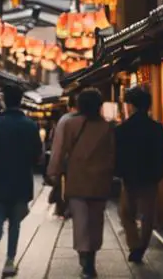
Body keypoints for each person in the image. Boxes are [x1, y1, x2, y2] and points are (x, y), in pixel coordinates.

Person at [48, 88, 116, 278]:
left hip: (77, 179)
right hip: (100, 180)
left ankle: (85, 258)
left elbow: (59, 150)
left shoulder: (70, 124)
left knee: (81, 221)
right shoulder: (108, 126)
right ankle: (91, 257)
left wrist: (54, 172)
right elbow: (112, 155)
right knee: (96, 221)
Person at [0, 84, 44, 277]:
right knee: (15, 223)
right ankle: (9, 261)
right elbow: (37, 155)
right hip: (21, 178)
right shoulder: (30, 125)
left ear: (3, 100)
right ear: (21, 100)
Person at [115, 86, 163, 264]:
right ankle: (141, 248)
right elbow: (161, 154)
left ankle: (134, 244)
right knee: (148, 215)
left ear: (131, 105)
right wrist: (159, 174)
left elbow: (118, 155)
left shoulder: (122, 129)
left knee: (125, 212)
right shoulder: (156, 128)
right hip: (151, 177)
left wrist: (119, 173)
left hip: (129, 177)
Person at [48, 94, 79, 218]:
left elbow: (58, 146)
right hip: (86, 167)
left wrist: (52, 169)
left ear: (69, 107)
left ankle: (64, 208)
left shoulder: (65, 120)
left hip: (67, 162)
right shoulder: (93, 120)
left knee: (64, 186)